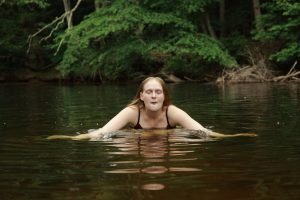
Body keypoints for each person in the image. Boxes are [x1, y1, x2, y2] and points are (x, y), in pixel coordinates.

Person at [47, 77, 257, 140]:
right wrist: (71, 139)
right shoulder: (132, 112)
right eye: (149, 92)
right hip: (136, 141)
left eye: (158, 92)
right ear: (142, 96)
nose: (154, 95)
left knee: (182, 140)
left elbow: (203, 132)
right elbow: (102, 132)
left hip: (168, 139)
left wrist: (233, 136)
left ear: (164, 96)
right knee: (122, 143)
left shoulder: (172, 112)